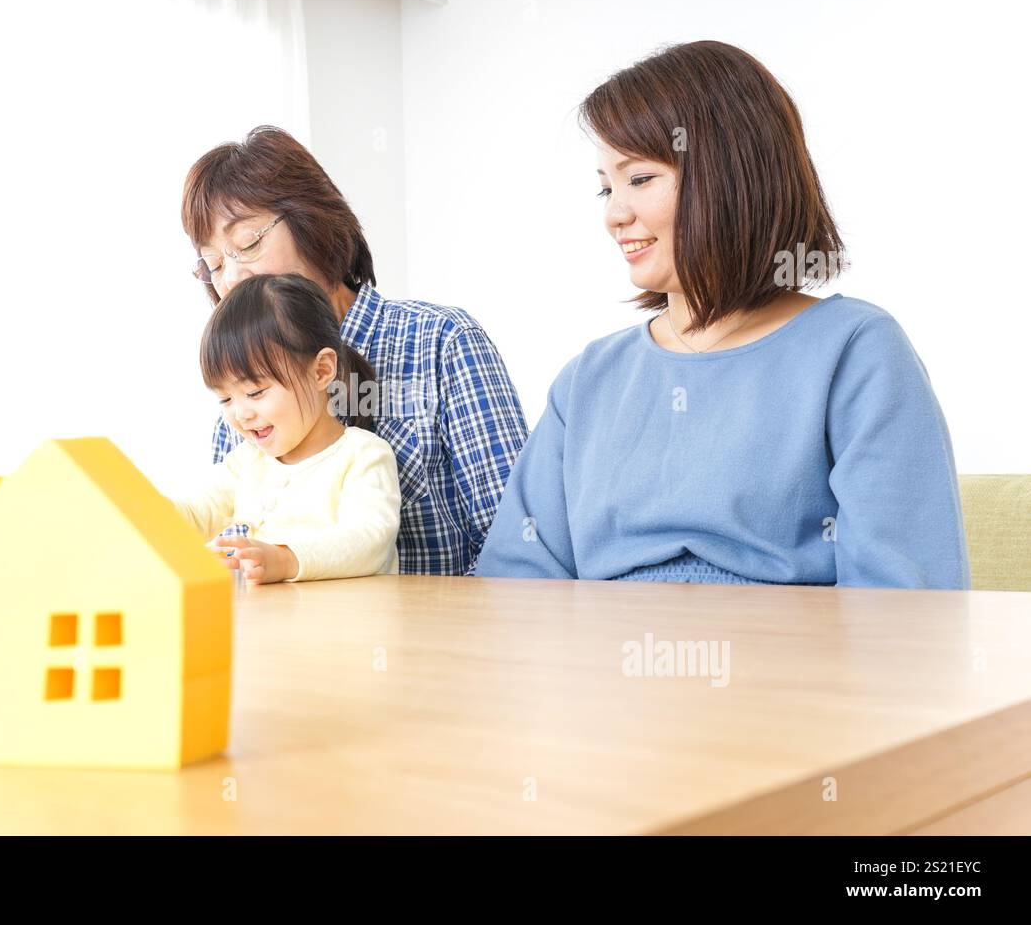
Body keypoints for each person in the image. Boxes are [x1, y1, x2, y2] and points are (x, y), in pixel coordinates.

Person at [475, 41, 969, 589]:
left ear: (730, 174)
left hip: (789, 670)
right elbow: (516, 582)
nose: (615, 214)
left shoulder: (856, 351)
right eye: (605, 188)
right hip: (599, 665)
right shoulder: (589, 377)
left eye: (639, 179)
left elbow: (905, 603)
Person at [181, 126, 529, 575]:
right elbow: (224, 547)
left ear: (311, 219)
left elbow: (516, 546)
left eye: (247, 243)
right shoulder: (244, 410)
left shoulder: (441, 341)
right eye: (212, 265)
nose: (229, 279)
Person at [172, 273, 400, 585]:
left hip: (352, 625)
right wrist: (143, 516)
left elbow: (369, 541)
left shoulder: (363, 455)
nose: (241, 414)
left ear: (321, 371)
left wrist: (286, 559)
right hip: (278, 627)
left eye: (255, 393)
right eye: (225, 398)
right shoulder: (246, 463)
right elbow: (196, 513)